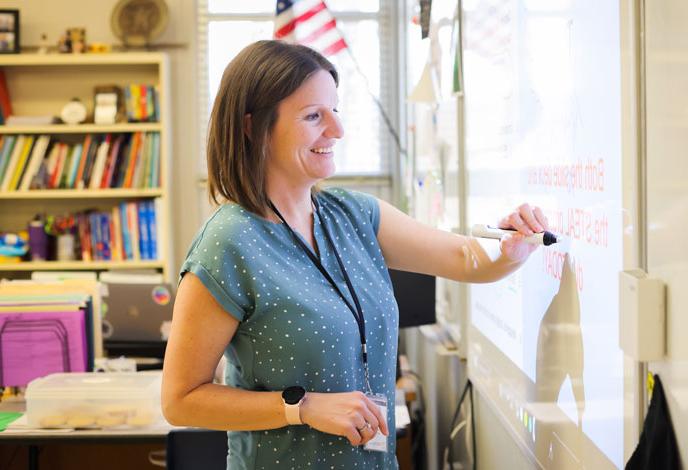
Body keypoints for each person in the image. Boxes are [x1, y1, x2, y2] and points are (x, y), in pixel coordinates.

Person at [161, 40, 549, 470]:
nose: (337, 131)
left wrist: (512, 248)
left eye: (336, 111)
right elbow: (181, 400)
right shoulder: (228, 242)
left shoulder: (353, 214)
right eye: (313, 116)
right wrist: (301, 407)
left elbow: (465, 258)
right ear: (253, 128)